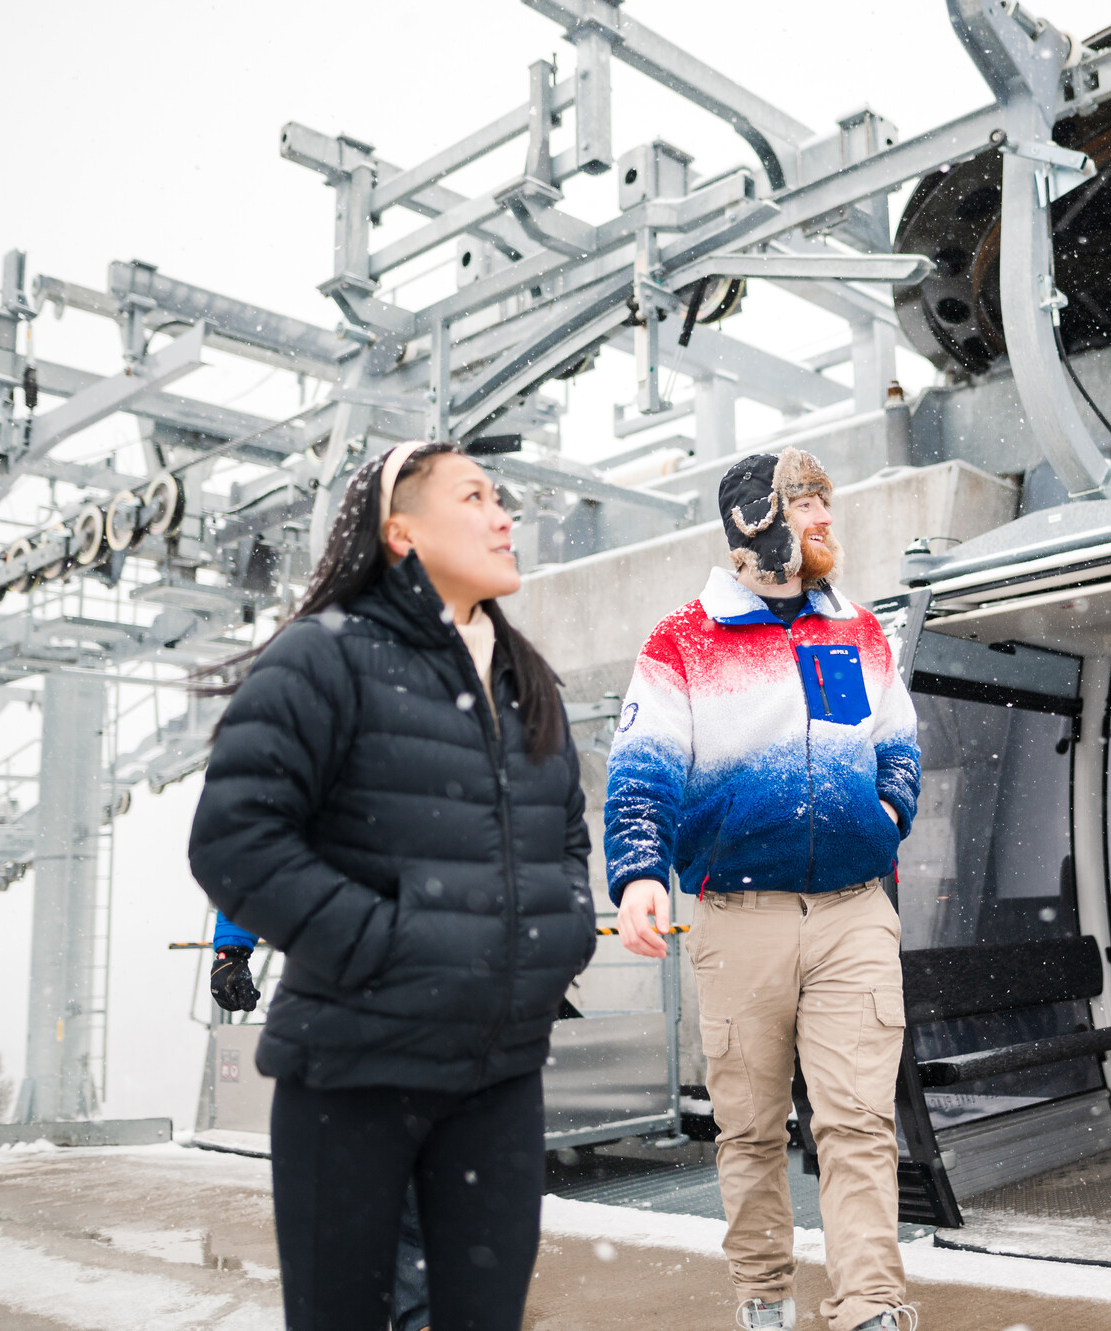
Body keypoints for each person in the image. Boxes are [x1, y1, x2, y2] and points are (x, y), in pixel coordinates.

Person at [190, 440, 595, 1331]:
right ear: (400, 530)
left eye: (503, 499)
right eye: (475, 495)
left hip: (499, 1078)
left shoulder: (528, 682)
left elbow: (567, 837)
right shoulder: (322, 659)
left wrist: (561, 934)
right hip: (354, 1073)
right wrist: (390, 946)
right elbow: (235, 839)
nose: (504, 516)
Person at [604, 449, 922, 1331]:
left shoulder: (857, 628)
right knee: (748, 1127)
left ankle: (870, 1305)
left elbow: (901, 745)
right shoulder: (682, 640)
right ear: (758, 523)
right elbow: (642, 772)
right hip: (738, 918)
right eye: (807, 503)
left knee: (857, 1122)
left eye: (826, 500)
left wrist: (887, 815)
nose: (825, 519)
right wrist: (639, 874)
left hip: (857, 911)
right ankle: (764, 1292)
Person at [206, 918, 430, 1331]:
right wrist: (232, 950)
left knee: (412, 1175)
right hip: (334, 987)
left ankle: (418, 1316)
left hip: (437, 985)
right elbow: (247, 856)